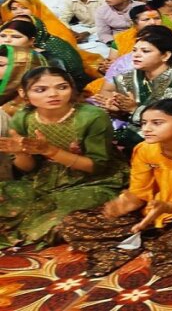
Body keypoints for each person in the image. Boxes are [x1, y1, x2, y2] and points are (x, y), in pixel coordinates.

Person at [60, 99, 172, 277]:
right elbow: (140, 192)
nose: (146, 129)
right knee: (72, 223)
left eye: (157, 123)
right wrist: (125, 203)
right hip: (156, 212)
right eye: (144, 123)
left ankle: (152, 238)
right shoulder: (145, 149)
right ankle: (155, 238)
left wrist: (170, 207)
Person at [0, 68, 127, 248]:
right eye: (41, 89)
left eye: (62, 87)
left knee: (60, 219)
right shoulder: (23, 118)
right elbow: (28, 169)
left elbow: (96, 167)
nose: (53, 94)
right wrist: (20, 152)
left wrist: (50, 151)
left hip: (92, 181)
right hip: (43, 181)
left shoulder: (92, 116)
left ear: (72, 88)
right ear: (23, 93)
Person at [95, 28, 172, 152]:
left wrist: (134, 109)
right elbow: (125, 109)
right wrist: (118, 110)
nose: (136, 55)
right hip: (142, 125)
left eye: (145, 51)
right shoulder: (130, 77)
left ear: (165, 55)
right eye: (134, 50)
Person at [0, 18, 91, 91]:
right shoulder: (2, 55)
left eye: (16, 37)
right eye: (2, 36)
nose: (7, 40)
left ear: (31, 41)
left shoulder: (46, 59)